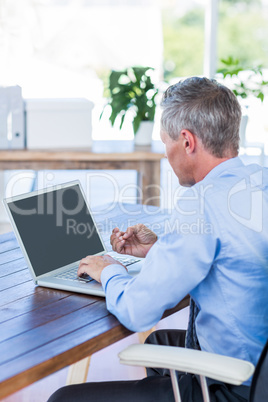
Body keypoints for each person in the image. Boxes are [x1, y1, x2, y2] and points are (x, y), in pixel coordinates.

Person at [48, 77, 268, 402]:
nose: (166, 155)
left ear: (187, 141)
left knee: (62, 399)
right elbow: (228, 256)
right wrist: (157, 250)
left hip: (234, 388)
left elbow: (137, 311)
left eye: (166, 142)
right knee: (159, 343)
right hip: (260, 368)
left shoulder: (201, 203)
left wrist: (108, 269)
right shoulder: (258, 182)